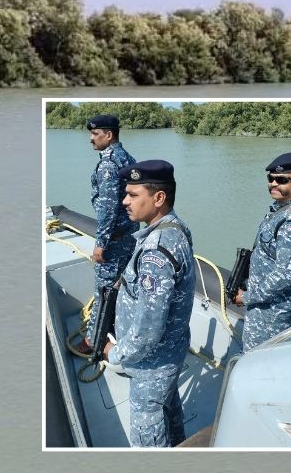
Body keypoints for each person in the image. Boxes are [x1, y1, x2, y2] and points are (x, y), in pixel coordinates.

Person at [103, 160, 196, 448]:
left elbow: (148, 330)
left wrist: (115, 353)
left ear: (159, 198)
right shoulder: (175, 229)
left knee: (148, 441)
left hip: (152, 366)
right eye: (125, 193)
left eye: (133, 194)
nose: (124, 201)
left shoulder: (157, 250)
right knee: (170, 419)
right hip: (168, 355)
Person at [233, 153, 291, 351]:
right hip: (261, 304)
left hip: (272, 313)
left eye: (282, 180)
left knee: (256, 359)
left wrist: (247, 297)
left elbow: (283, 276)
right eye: (271, 178)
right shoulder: (279, 211)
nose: (274, 184)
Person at [76, 115, 139, 354]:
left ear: (109, 135)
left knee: (104, 291)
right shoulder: (127, 158)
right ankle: (118, 328)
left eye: (95, 134)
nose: (91, 139)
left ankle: (93, 341)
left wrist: (100, 243)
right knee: (122, 287)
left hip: (112, 240)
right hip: (128, 236)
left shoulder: (108, 164)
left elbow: (108, 208)